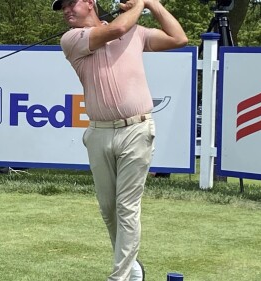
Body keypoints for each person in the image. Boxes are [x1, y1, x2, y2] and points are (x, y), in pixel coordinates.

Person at [52, 0, 188, 280]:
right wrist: (138, 5)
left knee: (127, 206)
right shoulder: (72, 39)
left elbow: (179, 38)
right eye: (62, 7)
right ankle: (133, 268)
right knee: (108, 209)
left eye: (70, 4)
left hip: (137, 129)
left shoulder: (134, 32)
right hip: (99, 132)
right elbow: (118, 28)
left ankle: (121, 276)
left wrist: (153, 4)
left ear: (90, 2)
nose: (66, 10)